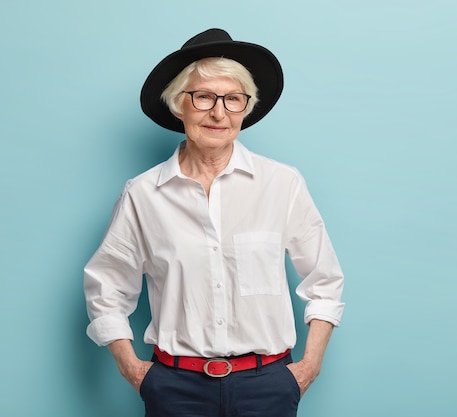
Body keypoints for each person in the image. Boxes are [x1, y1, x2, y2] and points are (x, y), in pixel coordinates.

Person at [84, 28, 345, 417]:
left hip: (268, 387)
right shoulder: (142, 194)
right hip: (175, 389)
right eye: (204, 97)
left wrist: (307, 369)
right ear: (178, 106)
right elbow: (106, 290)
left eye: (233, 99)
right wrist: (135, 371)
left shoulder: (282, 184)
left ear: (245, 107)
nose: (219, 113)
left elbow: (325, 282)